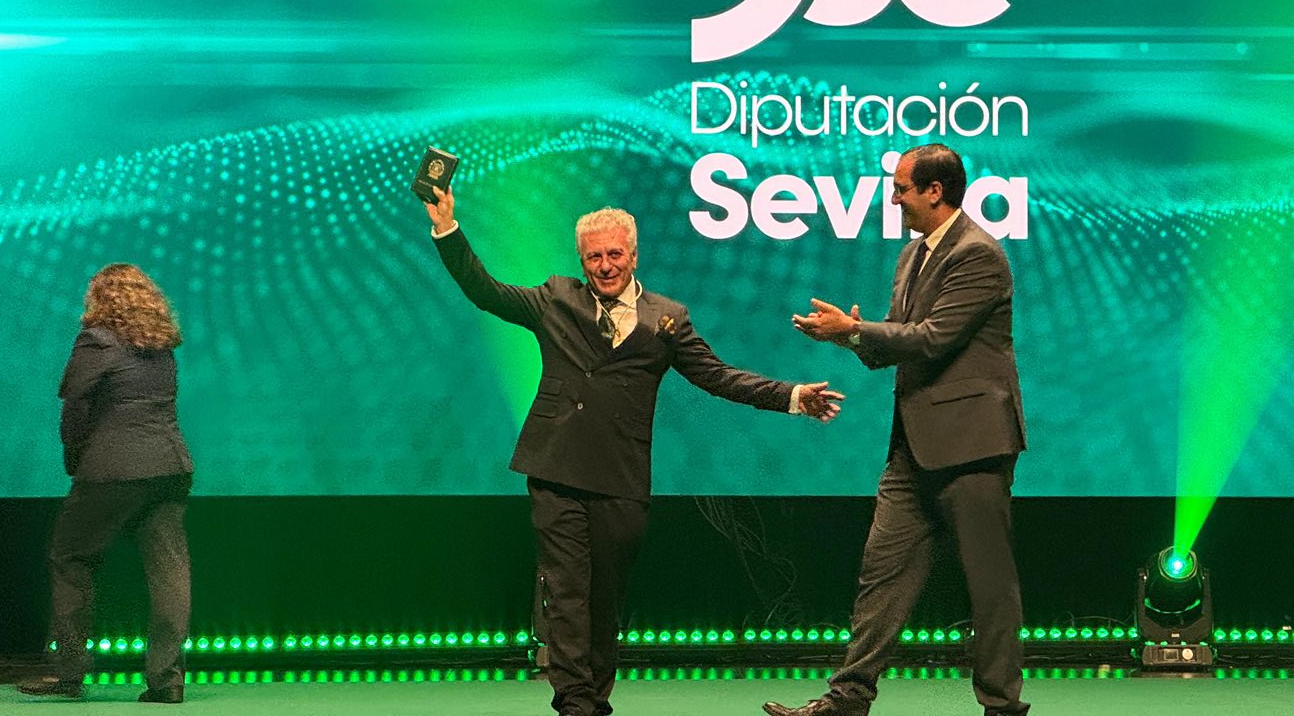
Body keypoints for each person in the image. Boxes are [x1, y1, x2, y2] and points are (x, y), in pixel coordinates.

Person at [425, 185, 843, 716]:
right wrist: (447, 227)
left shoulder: (667, 319)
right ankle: (575, 703)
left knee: (605, 598)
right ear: (581, 260)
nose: (605, 266)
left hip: (621, 476)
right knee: (568, 593)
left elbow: (717, 376)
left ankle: (594, 698)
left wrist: (792, 396)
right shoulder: (556, 299)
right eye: (594, 257)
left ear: (634, 255)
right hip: (556, 469)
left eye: (614, 254)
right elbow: (485, 290)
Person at [765, 144, 1029, 716]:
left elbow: (932, 339)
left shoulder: (978, 253)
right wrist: (850, 336)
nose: (893, 199)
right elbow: (896, 343)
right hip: (913, 447)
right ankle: (849, 698)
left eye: (901, 188)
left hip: (973, 447)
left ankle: (1001, 707)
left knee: (989, 585)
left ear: (935, 190)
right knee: (881, 575)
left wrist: (857, 329)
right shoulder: (912, 255)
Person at [19, 264, 194, 704]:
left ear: (100, 298)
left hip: (113, 470)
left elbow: (75, 410)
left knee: (70, 558)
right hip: (170, 468)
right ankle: (167, 680)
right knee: (169, 571)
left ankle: (68, 672)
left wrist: (75, 460)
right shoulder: (162, 347)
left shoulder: (96, 341)